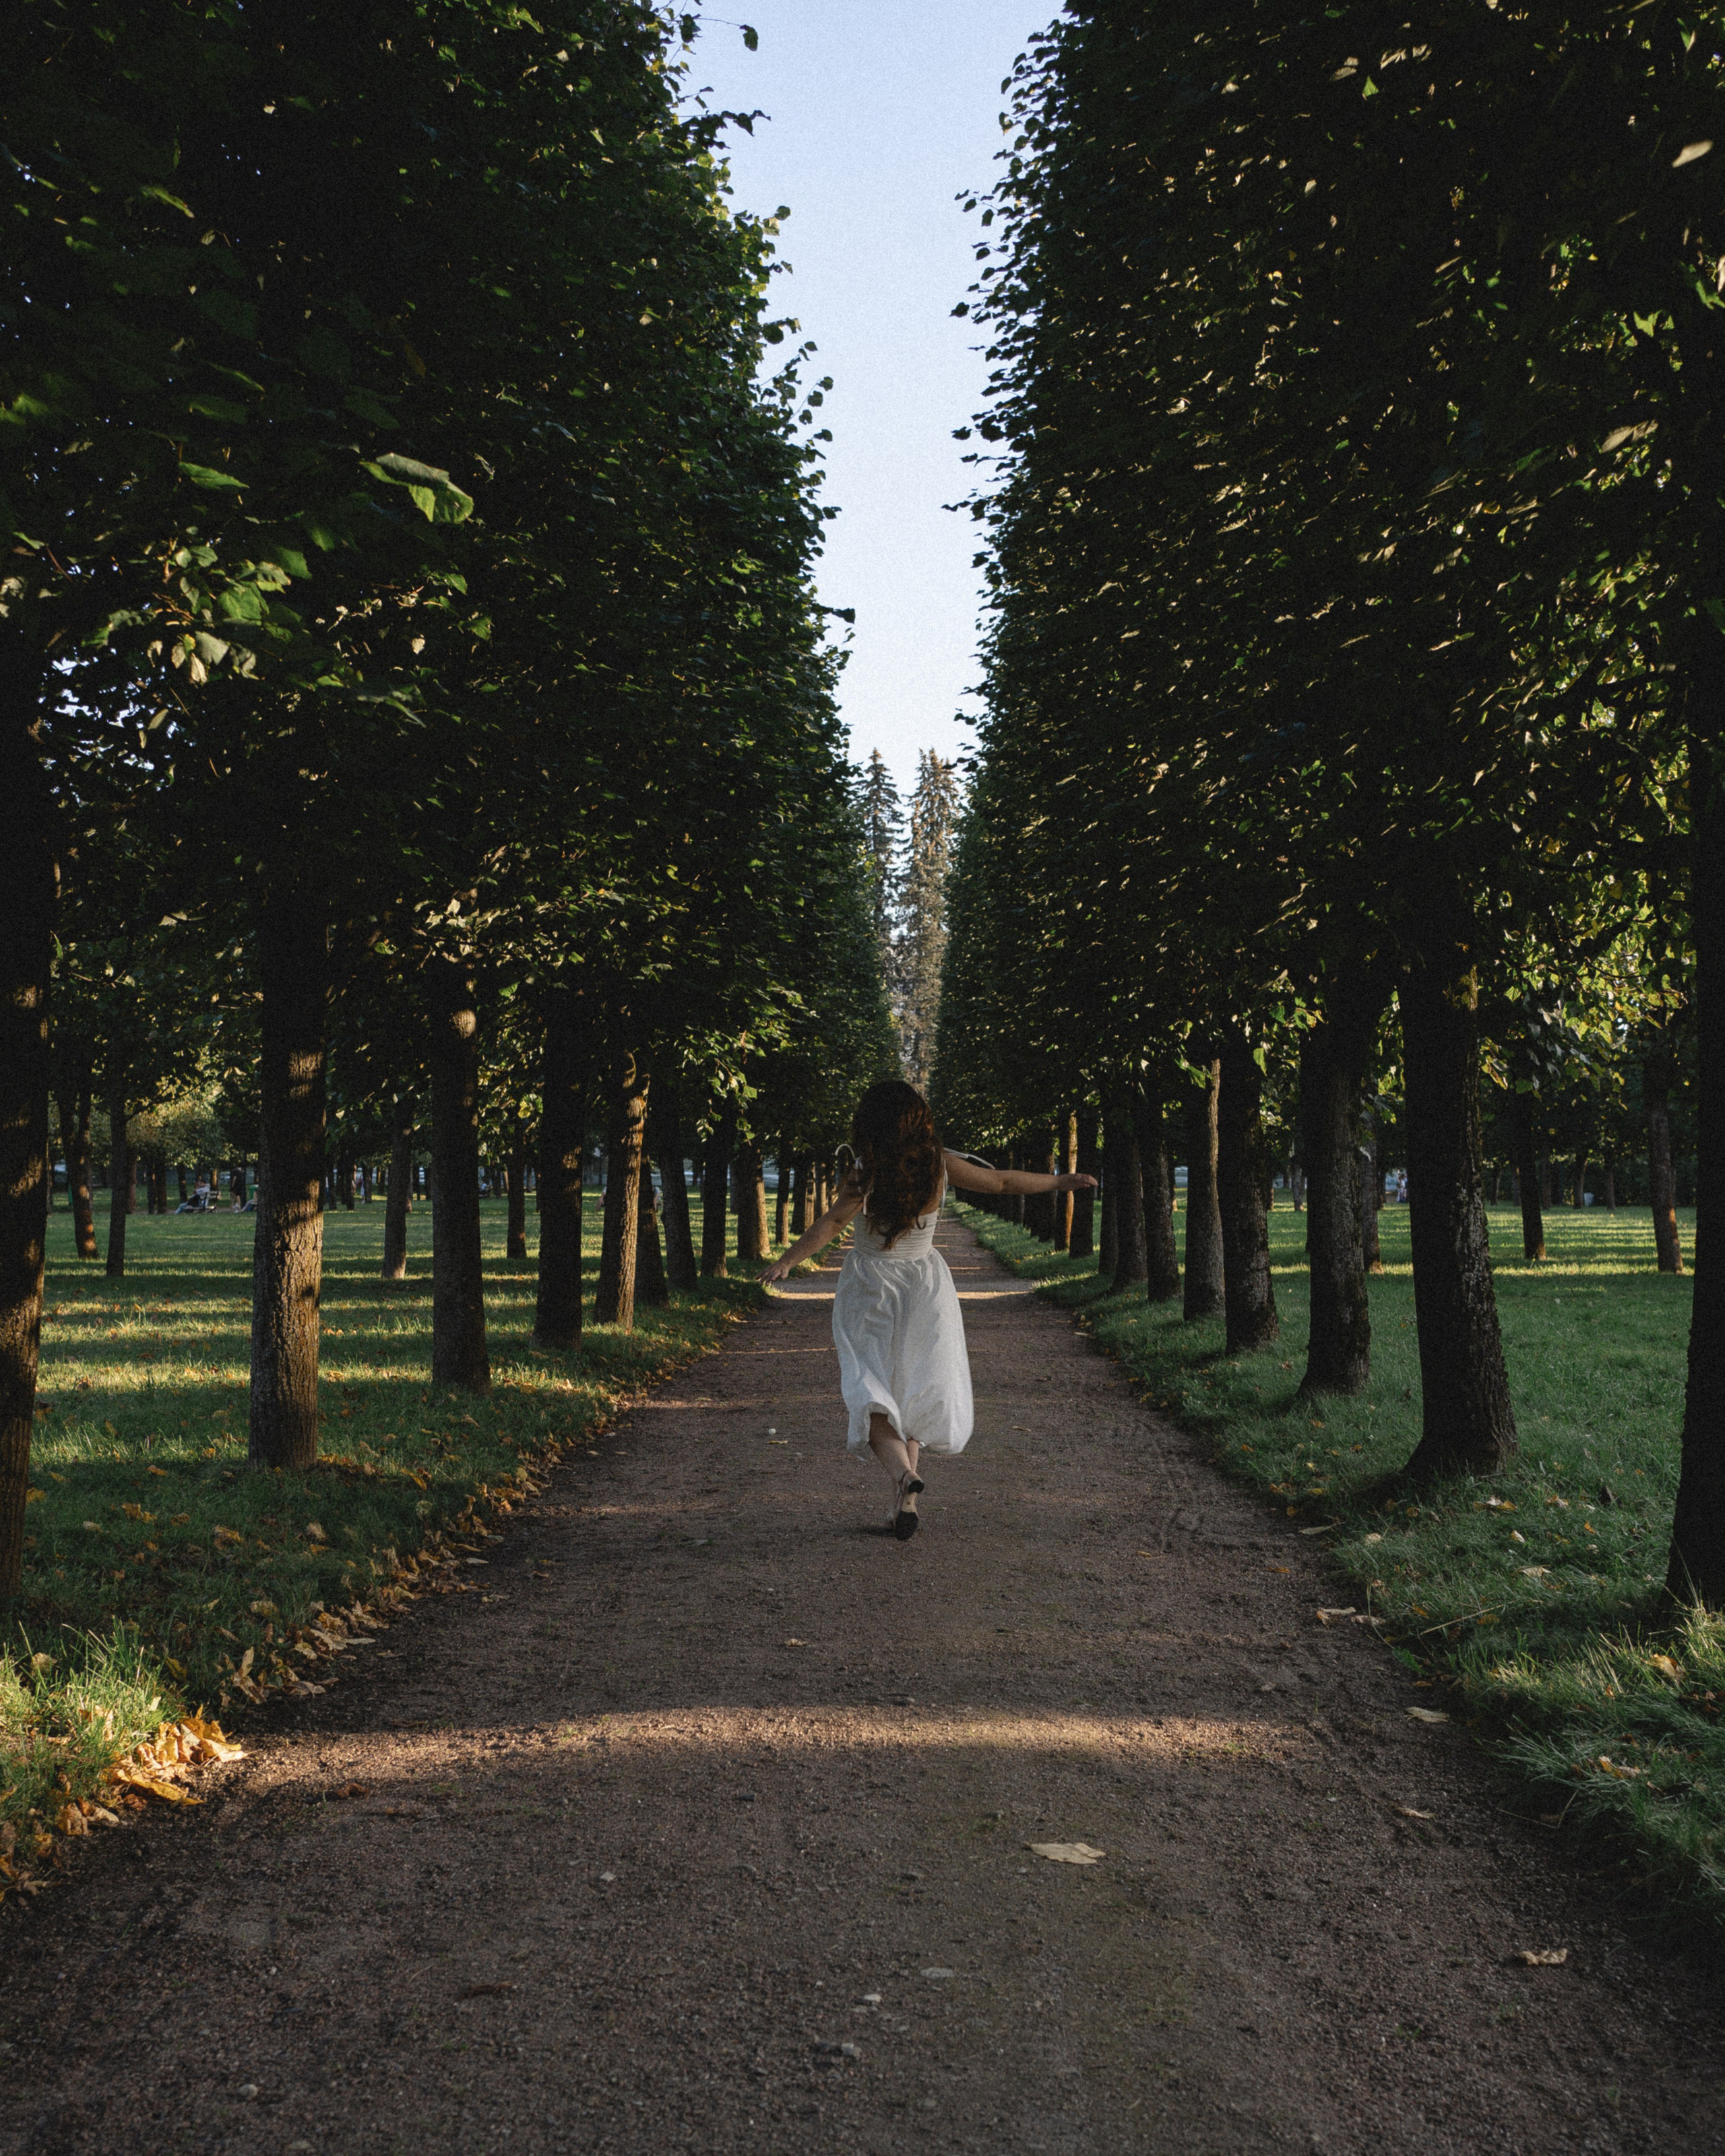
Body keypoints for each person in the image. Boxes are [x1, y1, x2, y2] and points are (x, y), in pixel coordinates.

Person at [763, 1079, 1097, 1540]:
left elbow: (834, 1222)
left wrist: (786, 1261)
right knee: (915, 1387)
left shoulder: (866, 1171)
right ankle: (905, 1499)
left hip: (870, 1287)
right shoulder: (938, 1166)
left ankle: (903, 1477)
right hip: (925, 1286)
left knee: (871, 1391)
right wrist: (1061, 1181)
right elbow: (1002, 1181)